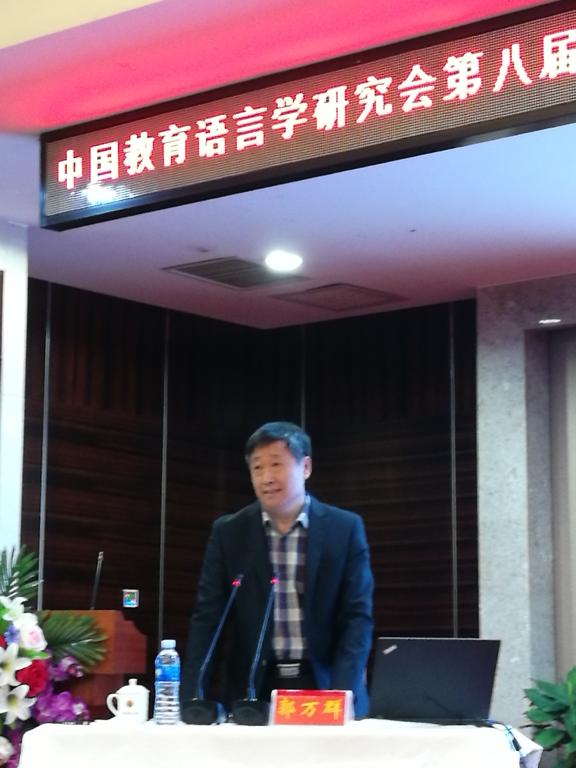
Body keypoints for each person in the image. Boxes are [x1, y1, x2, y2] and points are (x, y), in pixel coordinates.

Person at [181, 421, 374, 718]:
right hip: (252, 691)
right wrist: (191, 696)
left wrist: (342, 692)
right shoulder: (229, 533)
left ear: (305, 467)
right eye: (257, 468)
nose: (266, 478)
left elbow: (357, 617)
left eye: (276, 464)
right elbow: (208, 619)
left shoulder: (344, 529)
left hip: (324, 684)